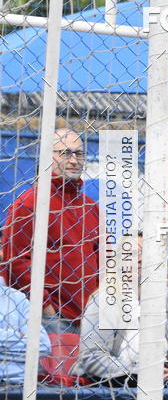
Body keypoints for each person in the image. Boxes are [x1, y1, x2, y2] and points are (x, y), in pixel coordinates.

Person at [73, 234, 168, 400]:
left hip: (165, 379)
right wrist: (140, 371)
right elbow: (92, 357)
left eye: (146, 252)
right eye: (132, 253)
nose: (141, 258)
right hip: (116, 380)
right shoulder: (104, 299)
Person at [1, 128, 99, 334]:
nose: (74, 160)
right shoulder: (29, 203)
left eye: (79, 153)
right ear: (47, 157)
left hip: (90, 318)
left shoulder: (90, 207)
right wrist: (46, 308)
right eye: (65, 153)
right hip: (53, 319)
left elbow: (101, 260)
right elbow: (16, 261)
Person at [0, 253, 52, 400]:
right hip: (7, 391)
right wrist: (19, 336)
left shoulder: (16, 298)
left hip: (25, 384)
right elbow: (32, 343)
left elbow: (43, 345)